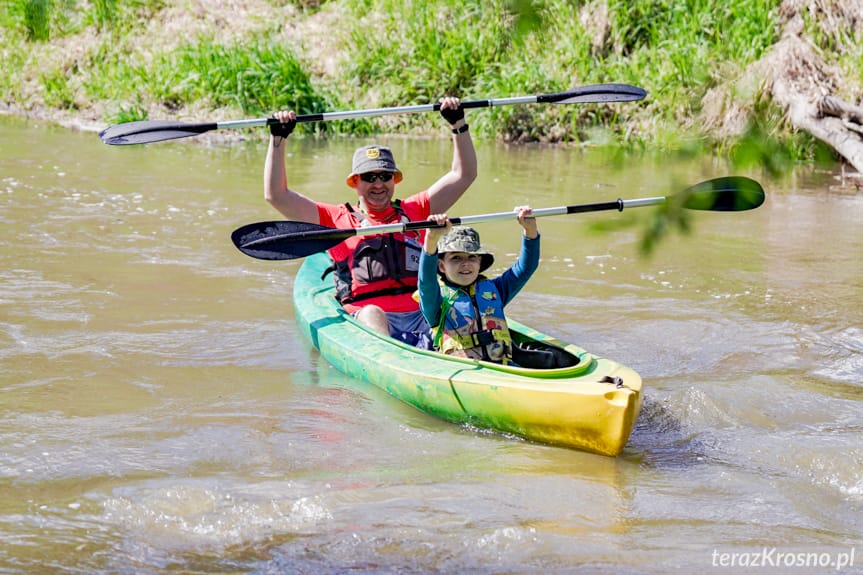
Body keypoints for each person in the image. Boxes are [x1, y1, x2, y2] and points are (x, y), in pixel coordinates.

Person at [264, 97, 477, 346]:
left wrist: (458, 124)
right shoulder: (335, 219)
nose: (378, 184)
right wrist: (278, 139)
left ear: (394, 180)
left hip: (423, 314)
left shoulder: (416, 210)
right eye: (369, 177)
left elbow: (464, 174)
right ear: (355, 182)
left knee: (459, 307)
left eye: (385, 176)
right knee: (373, 312)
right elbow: (276, 195)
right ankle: (395, 361)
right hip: (369, 318)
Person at [418, 207, 539, 364]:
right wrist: (431, 239)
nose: (466, 264)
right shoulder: (435, 300)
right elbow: (425, 281)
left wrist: (530, 231)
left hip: (504, 367)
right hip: (463, 371)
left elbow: (526, 268)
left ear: (480, 262)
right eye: (456, 258)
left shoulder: (496, 289)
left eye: (472, 257)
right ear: (441, 266)